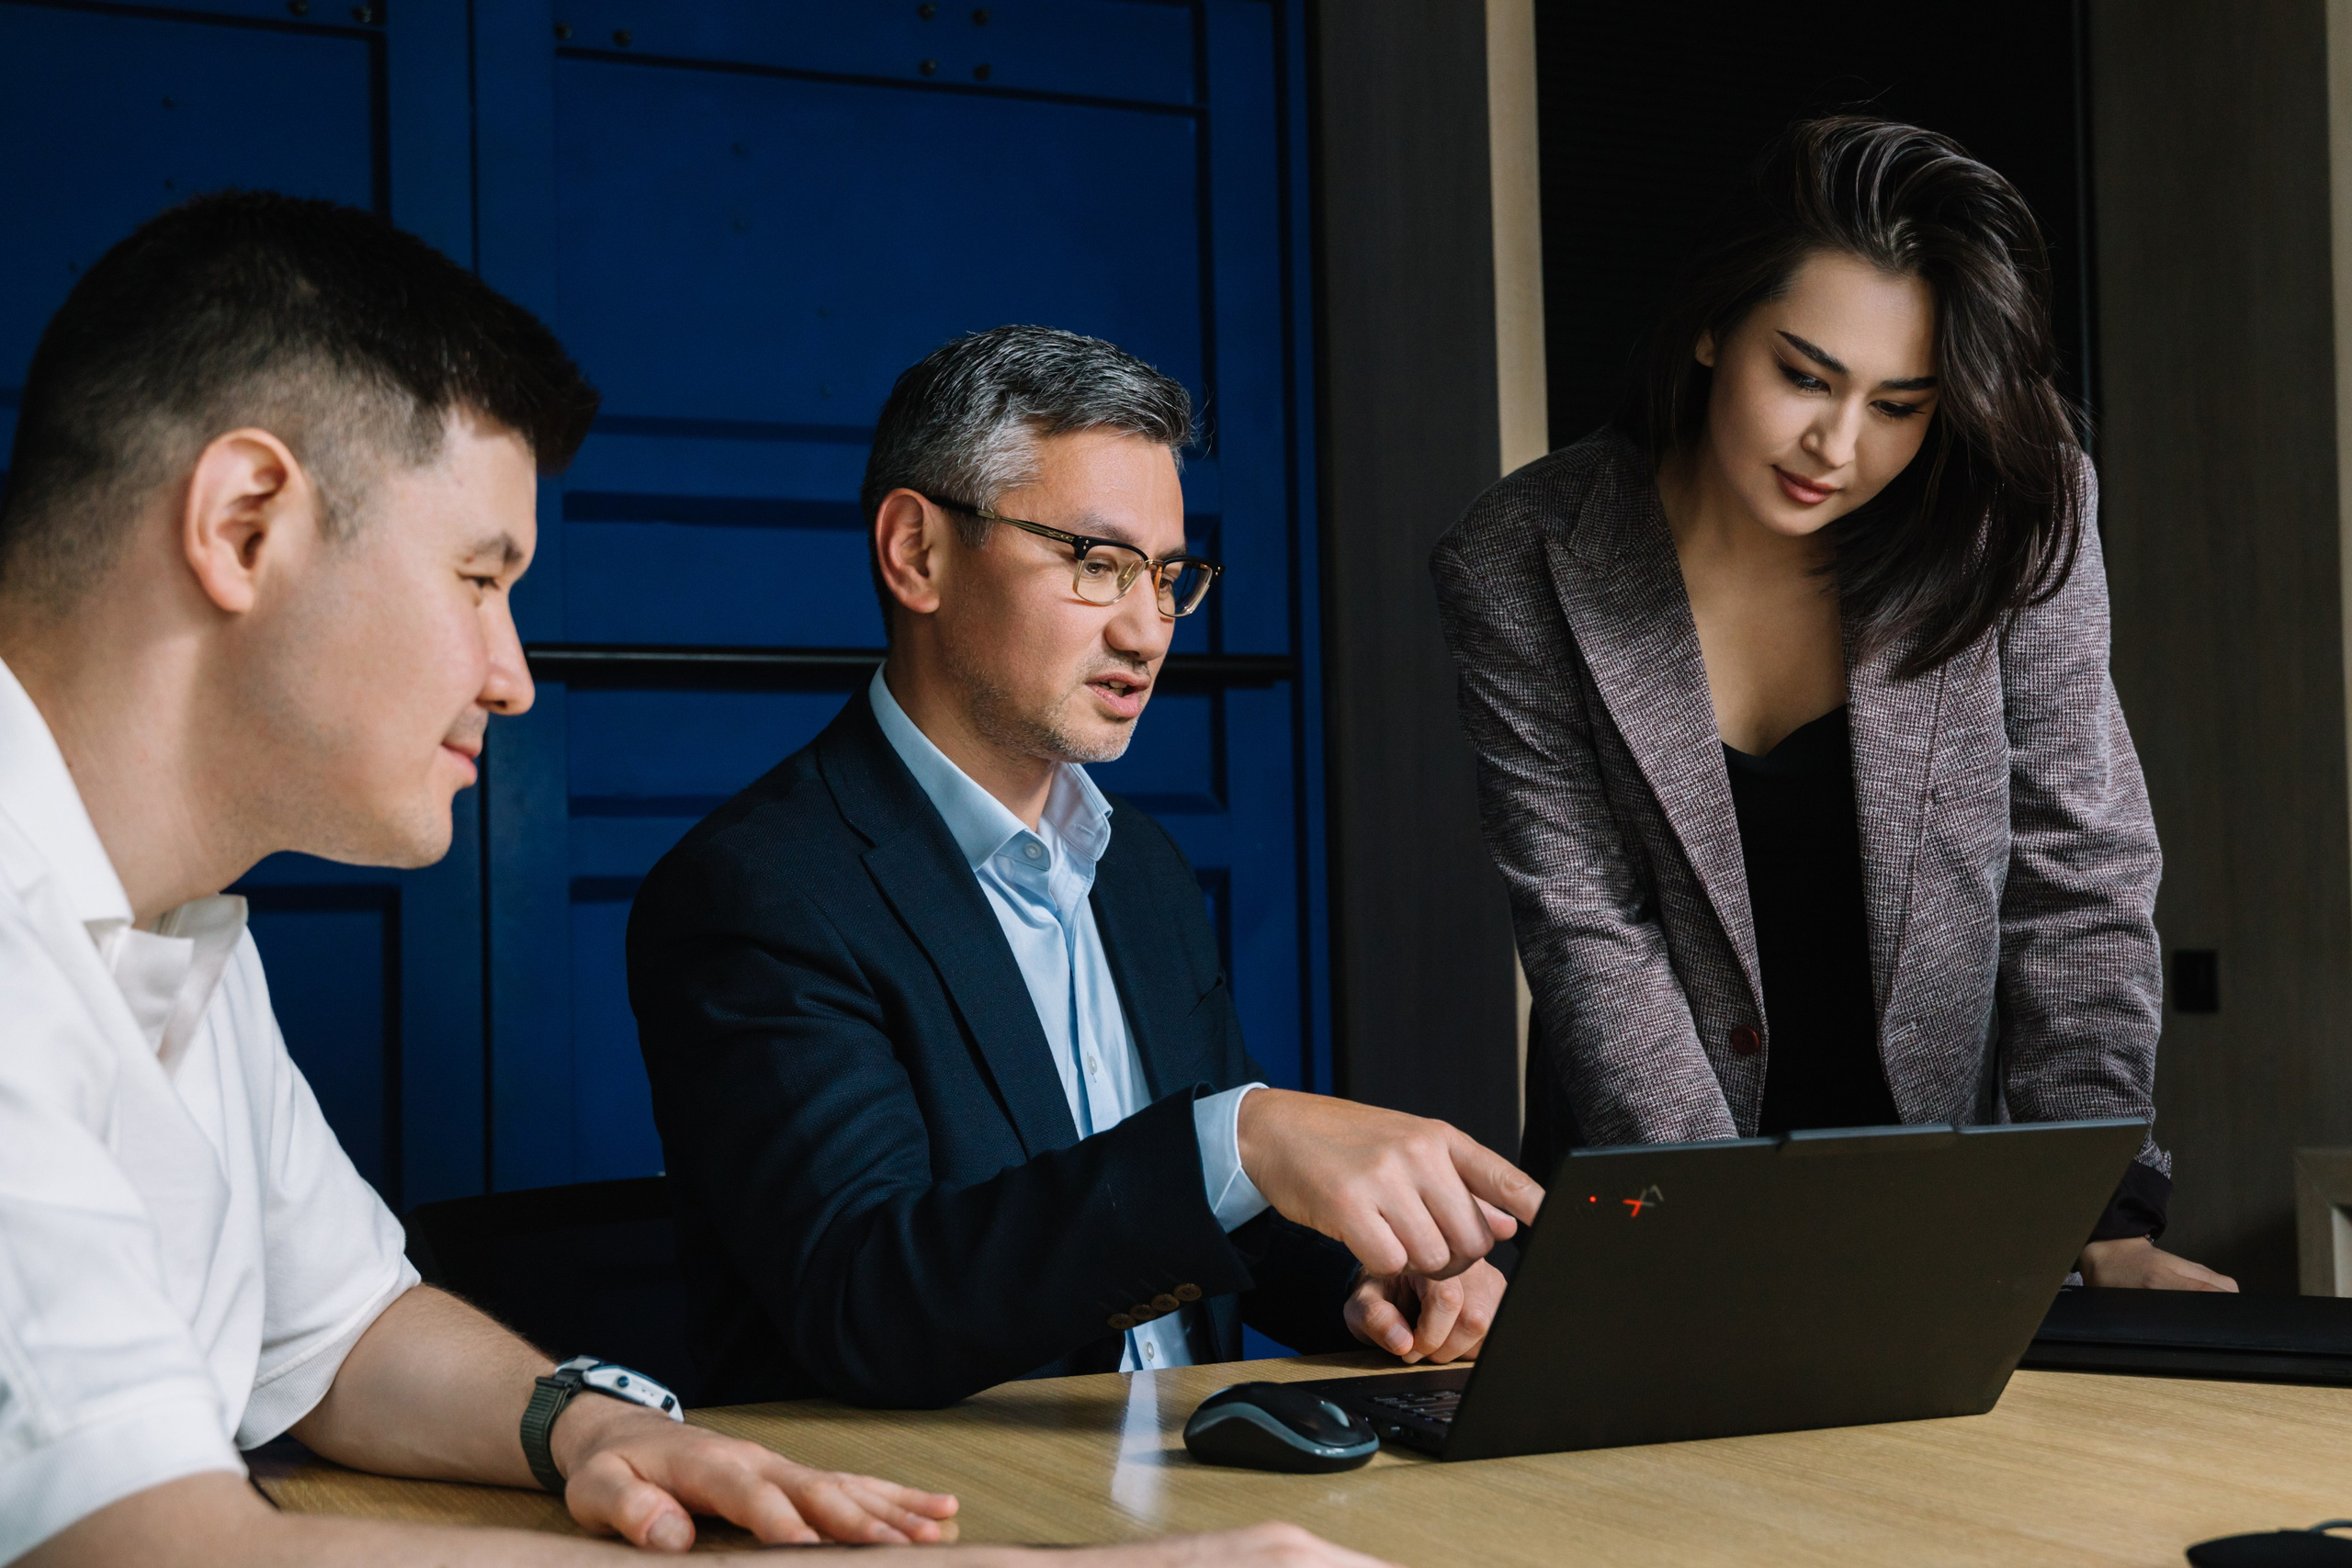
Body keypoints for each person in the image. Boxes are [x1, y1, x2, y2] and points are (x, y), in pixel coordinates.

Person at [0, 194, 1392, 1568]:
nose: (513, 673)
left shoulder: (183, 932)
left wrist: (590, 1427)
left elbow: (348, 1329)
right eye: (482, 578)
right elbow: (144, 1538)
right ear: (244, 523)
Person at [628, 325, 1541, 1410]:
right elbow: (866, 1302)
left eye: (1167, 575)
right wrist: (1240, 1133)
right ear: (916, 552)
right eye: (1096, 564)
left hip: (1197, 1486)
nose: (1149, 629)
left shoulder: (1140, 867)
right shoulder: (758, 890)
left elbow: (1190, 1219)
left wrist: (1368, 1279)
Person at [1430, 117, 2234, 1292]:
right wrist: (1729, 1242)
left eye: (1898, 405)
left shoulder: (2010, 510)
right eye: (1802, 376)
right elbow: (1587, 926)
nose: (1836, 444)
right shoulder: (1521, 557)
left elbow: (2077, 863)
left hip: (1950, 1209)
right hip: (1665, 1217)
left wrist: (2099, 1212)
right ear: (1712, 327)